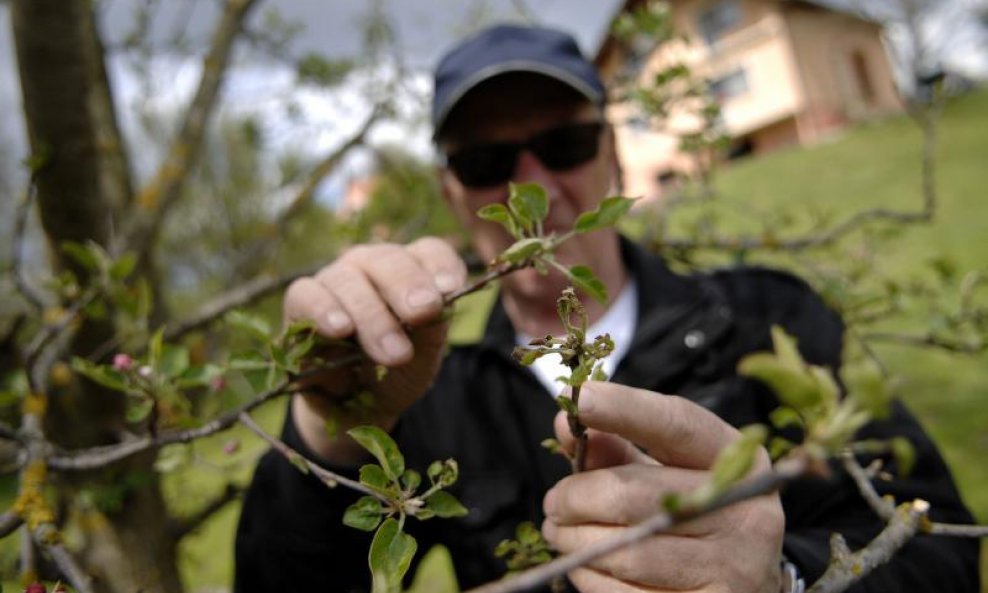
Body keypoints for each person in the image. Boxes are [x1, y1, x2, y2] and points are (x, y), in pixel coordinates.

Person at [234, 24, 980, 593]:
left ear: (615, 154)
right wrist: (331, 429)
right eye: (487, 162)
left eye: (564, 142)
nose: (535, 183)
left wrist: (784, 574)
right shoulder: (428, 397)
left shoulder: (765, 317)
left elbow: (938, 543)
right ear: (453, 193)